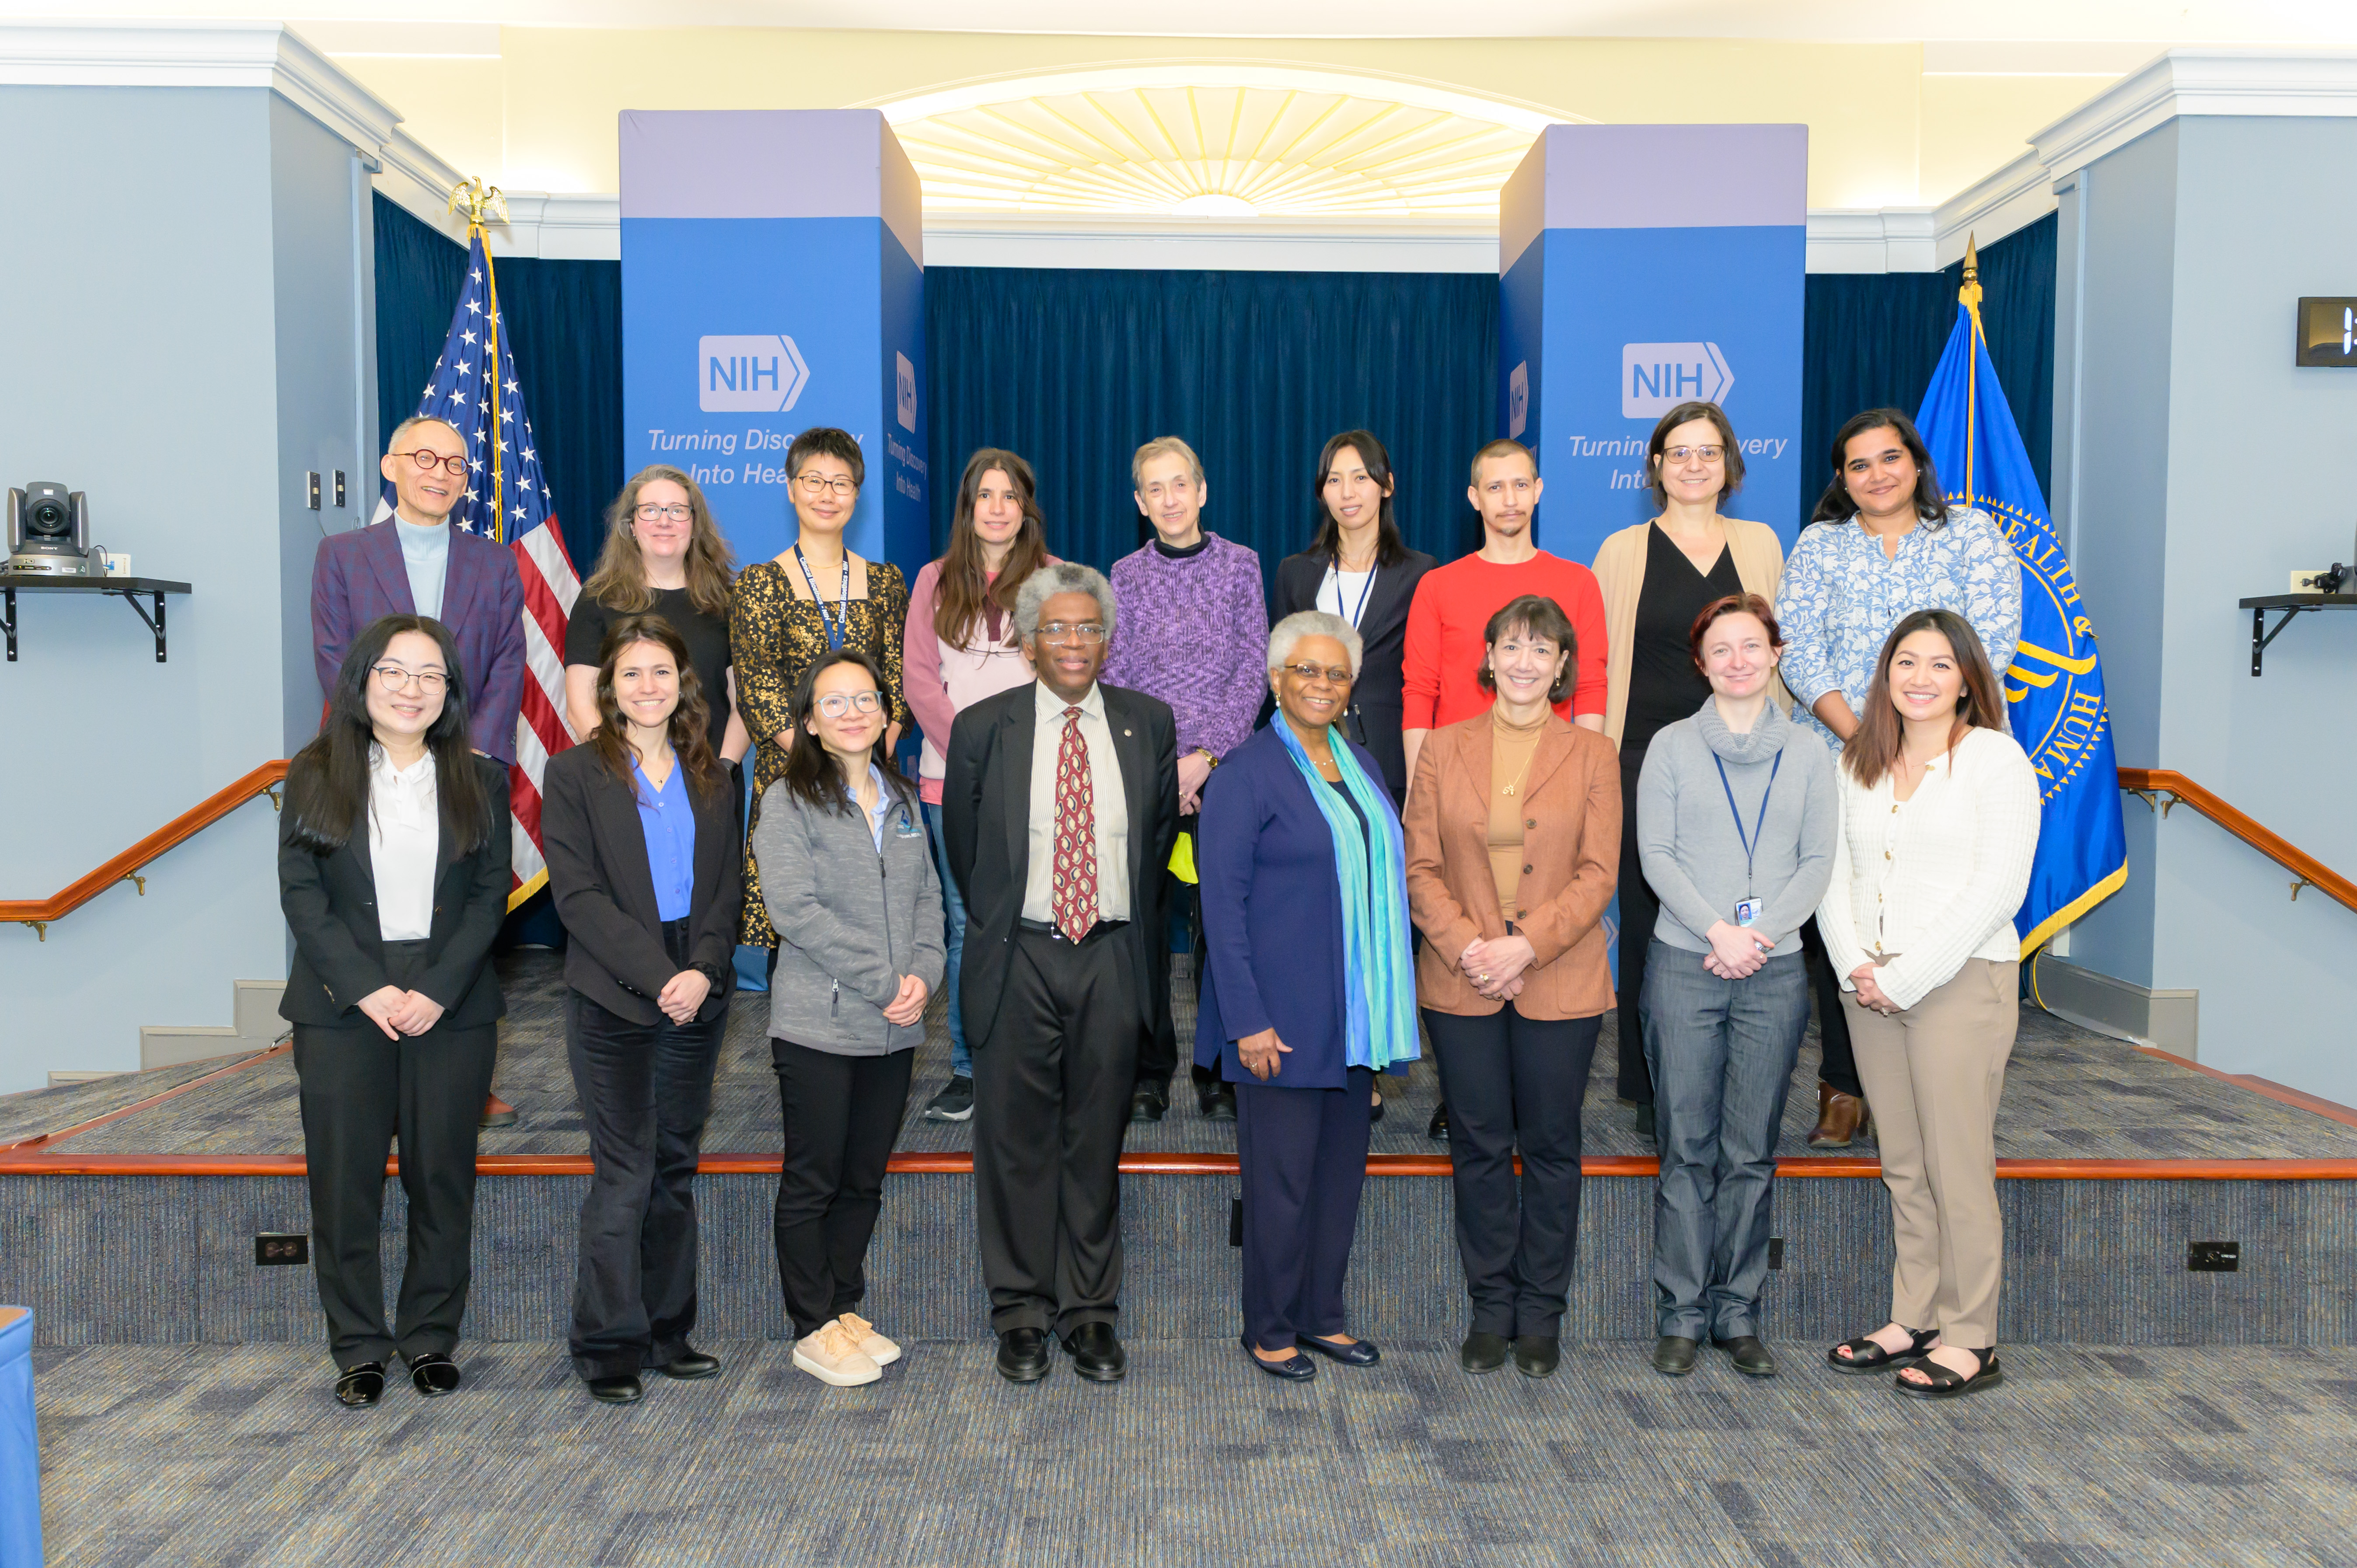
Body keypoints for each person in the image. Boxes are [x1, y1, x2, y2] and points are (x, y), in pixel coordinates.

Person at [943, 562, 1180, 1386]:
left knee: (1094, 1139)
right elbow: (970, 858)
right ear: (1027, 641)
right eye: (1057, 628)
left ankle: (1088, 1313)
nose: (1074, 642)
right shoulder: (983, 727)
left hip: (1111, 954)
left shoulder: (1148, 723)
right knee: (1013, 1142)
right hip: (1020, 954)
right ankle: (1019, 1313)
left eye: (1088, 629)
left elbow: (1150, 849)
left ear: (1106, 643)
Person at [277, 614, 510, 1408]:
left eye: (430, 675)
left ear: (449, 692)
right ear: (363, 680)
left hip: (452, 996)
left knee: (441, 1175)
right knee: (343, 1183)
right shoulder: (315, 772)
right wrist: (366, 987)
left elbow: (488, 898)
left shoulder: (480, 779)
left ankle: (429, 1337)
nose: (412, 689)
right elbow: (302, 896)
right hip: (344, 999)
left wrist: (437, 989)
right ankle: (359, 1345)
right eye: (395, 672)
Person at [1777, 409, 2022, 1149]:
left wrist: (1921, 736)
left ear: (1916, 463)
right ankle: (1843, 1087)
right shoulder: (1819, 546)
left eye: (1889, 458)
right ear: (1841, 480)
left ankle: (1928, 1073)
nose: (1875, 474)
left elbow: (1991, 640)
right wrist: (1867, 741)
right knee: (1841, 917)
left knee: (1934, 909)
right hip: (1841, 757)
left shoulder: (1972, 535)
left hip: (1948, 758)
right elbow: (1797, 651)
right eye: (1857, 465)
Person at [1819, 610, 2038, 1401]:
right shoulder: (1857, 760)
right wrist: (1854, 965)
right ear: (1884, 676)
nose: (1918, 677)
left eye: (1938, 665)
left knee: (1957, 1165)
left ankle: (1970, 1335)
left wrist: (1903, 976)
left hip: (1956, 984)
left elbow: (1996, 888)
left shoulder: (1994, 762)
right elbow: (1829, 874)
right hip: (1866, 988)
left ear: (1966, 679)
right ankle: (1912, 1316)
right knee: (1904, 1165)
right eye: (1904, 662)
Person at [1195, 612, 1419, 1380]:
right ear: (1273, 679)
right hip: (1278, 1023)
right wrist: (1246, 1020)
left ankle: (1322, 1315)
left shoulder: (1360, 764)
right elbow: (1219, 911)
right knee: (1281, 1186)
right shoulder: (1245, 774)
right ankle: (1269, 1326)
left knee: (1335, 1181)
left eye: (1334, 673)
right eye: (1305, 670)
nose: (1320, 684)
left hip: (1355, 1021)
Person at [1403, 594, 1618, 1380]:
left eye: (1542, 649)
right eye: (1511, 646)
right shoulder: (1442, 749)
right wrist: (1469, 947)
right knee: (1479, 1146)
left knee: (1552, 1147)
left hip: (1555, 976)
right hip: (1461, 979)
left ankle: (1541, 1312)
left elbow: (1598, 873)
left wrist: (1525, 945)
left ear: (1562, 666)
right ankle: (1490, 1308)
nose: (1525, 661)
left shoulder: (1592, 756)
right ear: (1487, 658)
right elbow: (1418, 865)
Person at [541, 614, 743, 1405]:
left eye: (662, 672)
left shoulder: (712, 777)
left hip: (696, 987)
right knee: (625, 1171)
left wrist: (701, 970)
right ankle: (607, 1344)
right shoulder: (573, 774)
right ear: (608, 687)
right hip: (613, 991)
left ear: (683, 684)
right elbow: (578, 897)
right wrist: (662, 976)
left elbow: (726, 888)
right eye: (631, 674)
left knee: (674, 1169)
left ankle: (667, 1331)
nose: (648, 687)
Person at [1634, 594, 1835, 1381]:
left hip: (1773, 967)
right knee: (1685, 1149)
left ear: (1775, 652)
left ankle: (1736, 1312)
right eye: (1720, 649)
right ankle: (1680, 1315)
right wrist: (1716, 931)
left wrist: (1756, 936)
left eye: (1750, 646)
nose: (1737, 661)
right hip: (1686, 959)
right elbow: (1655, 853)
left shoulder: (1809, 751)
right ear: (1701, 662)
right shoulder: (1671, 746)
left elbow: (1817, 862)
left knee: (1749, 1150)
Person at [311, 414, 526, 1129]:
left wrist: (470, 757)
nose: (441, 472)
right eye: (425, 458)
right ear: (389, 465)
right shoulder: (342, 555)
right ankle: (368, 1066)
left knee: (457, 912)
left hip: (461, 770)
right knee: (368, 911)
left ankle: (455, 1074)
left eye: (457, 465)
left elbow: (505, 664)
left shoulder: (494, 563)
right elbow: (335, 657)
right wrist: (383, 742)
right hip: (364, 765)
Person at [1592, 403, 1787, 1143]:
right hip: (1644, 755)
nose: (1693, 465)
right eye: (1678, 452)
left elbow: (1776, 655)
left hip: (1744, 755)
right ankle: (1651, 1084)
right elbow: (1603, 661)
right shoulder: (1621, 549)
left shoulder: (1761, 543)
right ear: (1655, 466)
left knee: (1739, 909)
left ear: (1728, 464)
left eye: (1707, 452)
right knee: (1652, 921)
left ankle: (1736, 1071)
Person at [1402, 439, 1609, 1142]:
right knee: (1478, 1129)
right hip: (1458, 779)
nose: (1510, 499)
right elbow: (1420, 693)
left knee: (1552, 1136)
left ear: (1540, 490)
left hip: (1553, 784)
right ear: (1474, 497)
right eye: (1496, 486)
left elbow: (1595, 690)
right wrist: (1417, 798)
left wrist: (1588, 766)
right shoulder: (1440, 583)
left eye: (1522, 485)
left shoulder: (1576, 581)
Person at [753, 649, 946, 1388]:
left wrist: (923, 978)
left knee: (863, 1178)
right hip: (820, 1025)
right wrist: (881, 980)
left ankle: (843, 1306)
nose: (852, 712)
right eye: (832, 703)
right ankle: (810, 1325)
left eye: (864, 697)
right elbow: (792, 911)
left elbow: (929, 900)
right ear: (808, 722)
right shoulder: (786, 799)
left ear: (884, 712)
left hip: (896, 1024)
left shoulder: (899, 797)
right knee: (815, 1177)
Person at [1102, 436, 1267, 1124]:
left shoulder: (1241, 566)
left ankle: (1217, 1067)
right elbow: (1116, 673)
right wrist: (1166, 763)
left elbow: (1254, 666)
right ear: (1141, 504)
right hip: (1148, 772)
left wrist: (1206, 756)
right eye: (1155, 489)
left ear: (1202, 491)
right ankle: (1150, 1065)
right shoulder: (1125, 574)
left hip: (1224, 772)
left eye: (1181, 485)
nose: (1170, 499)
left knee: (1219, 924)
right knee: (1140, 924)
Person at [904, 449, 1055, 1125]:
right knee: (968, 929)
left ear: (1026, 509)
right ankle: (968, 1069)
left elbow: (1070, 676)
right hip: (951, 786)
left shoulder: (1054, 580)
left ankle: (1033, 1062)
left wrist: (1015, 756)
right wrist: (973, 757)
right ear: (968, 509)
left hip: (1039, 781)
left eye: (1009, 495)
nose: (996, 507)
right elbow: (918, 682)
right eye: (984, 495)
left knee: (1042, 924)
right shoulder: (934, 581)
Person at [733, 427, 911, 956]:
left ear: (858, 493)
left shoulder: (885, 582)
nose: (827, 494)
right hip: (792, 776)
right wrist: (825, 761)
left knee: (873, 924)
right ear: (790, 488)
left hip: (870, 778)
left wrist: (867, 754)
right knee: (797, 931)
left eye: (841, 482)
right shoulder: (758, 583)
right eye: (813, 480)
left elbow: (895, 682)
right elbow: (757, 687)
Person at [1270, 431, 1438, 805]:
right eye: (1334, 480)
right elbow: (1278, 676)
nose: (1347, 492)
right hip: (1305, 760)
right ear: (1322, 492)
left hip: (1388, 761)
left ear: (1387, 485)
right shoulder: (1294, 573)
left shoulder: (1421, 573)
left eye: (1360, 477)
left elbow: (1427, 680)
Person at [565, 465, 748, 767]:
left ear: (694, 524)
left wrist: (724, 769)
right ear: (631, 526)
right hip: (626, 780)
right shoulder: (597, 601)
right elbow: (581, 707)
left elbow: (744, 705)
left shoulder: (727, 603)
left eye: (677, 511)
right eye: (650, 510)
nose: (664, 521)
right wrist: (627, 771)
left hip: (713, 779)